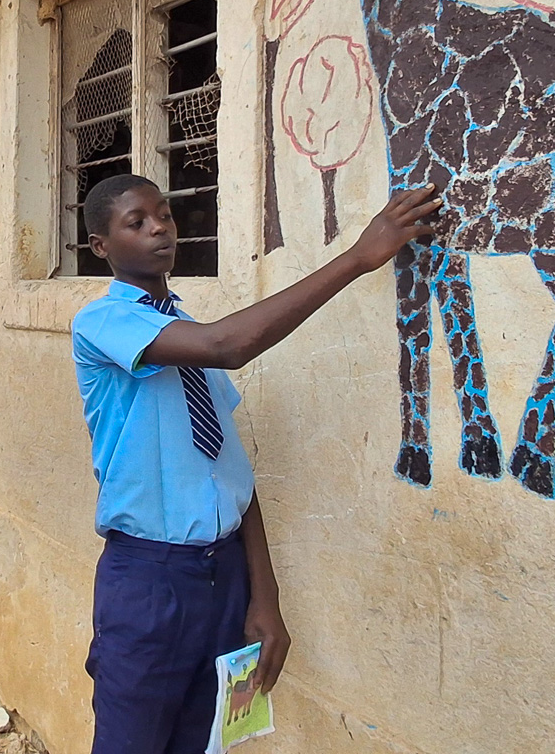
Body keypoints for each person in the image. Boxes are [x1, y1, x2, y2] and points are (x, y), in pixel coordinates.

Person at [72, 174, 440, 754]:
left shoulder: (187, 326)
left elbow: (229, 468)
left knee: (214, 739)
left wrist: (263, 598)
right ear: (100, 246)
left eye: (164, 214)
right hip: (150, 581)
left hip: (225, 579)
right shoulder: (102, 325)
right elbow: (230, 346)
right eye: (135, 222)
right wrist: (357, 259)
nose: (159, 228)